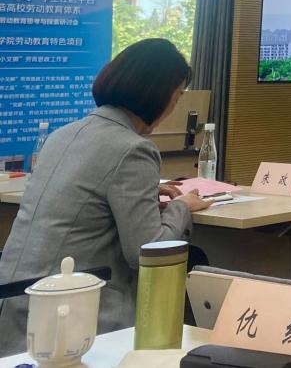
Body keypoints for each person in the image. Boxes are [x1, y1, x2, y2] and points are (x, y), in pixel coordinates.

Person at [0, 38, 210, 356]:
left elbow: (84, 196)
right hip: (71, 321)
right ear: (160, 94)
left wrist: (143, 193)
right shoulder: (133, 149)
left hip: (15, 310)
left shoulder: (61, 135)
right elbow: (146, 251)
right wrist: (181, 206)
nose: (176, 105)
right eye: (179, 94)